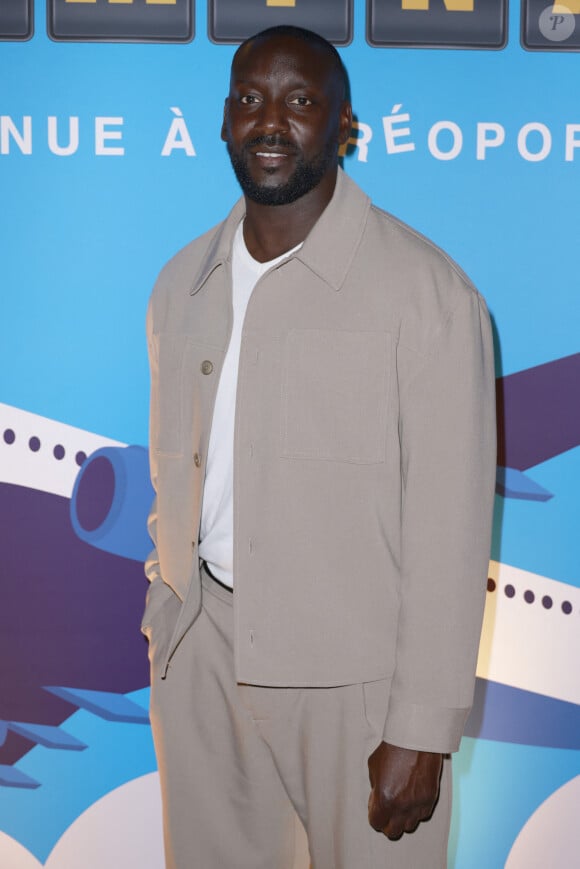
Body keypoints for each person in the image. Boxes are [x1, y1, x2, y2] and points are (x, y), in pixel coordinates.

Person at [142, 24, 496, 869]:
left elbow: (450, 531)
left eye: (301, 101)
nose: (272, 121)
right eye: (251, 99)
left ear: (344, 127)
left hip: (357, 684)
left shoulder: (431, 294)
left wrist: (422, 727)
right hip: (206, 656)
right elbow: (179, 468)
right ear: (224, 120)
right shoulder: (180, 283)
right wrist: (166, 606)